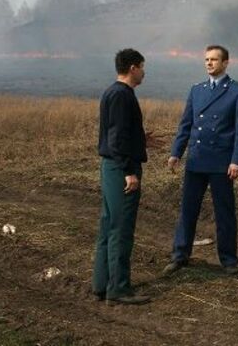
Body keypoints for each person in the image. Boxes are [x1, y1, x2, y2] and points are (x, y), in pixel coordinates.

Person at [163, 45, 238, 275]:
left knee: (224, 212)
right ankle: (180, 255)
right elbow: (186, 125)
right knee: (187, 210)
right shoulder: (196, 90)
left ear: (225, 63)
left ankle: (229, 260)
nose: (209, 63)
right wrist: (175, 153)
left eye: (214, 59)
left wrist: (237, 160)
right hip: (196, 159)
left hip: (221, 161)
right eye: (206, 60)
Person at [93, 48, 161, 305]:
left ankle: (101, 285)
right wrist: (130, 171)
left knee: (108, 225)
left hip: (110, 166)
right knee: (121, 229)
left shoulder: (112, 92)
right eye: (142, 67)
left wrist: (140, 141)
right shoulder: (123, 96)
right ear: (133, 68)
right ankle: (119, 289)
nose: (144, 72)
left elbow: (118, 133)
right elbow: (116, 138)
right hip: (120, 170)